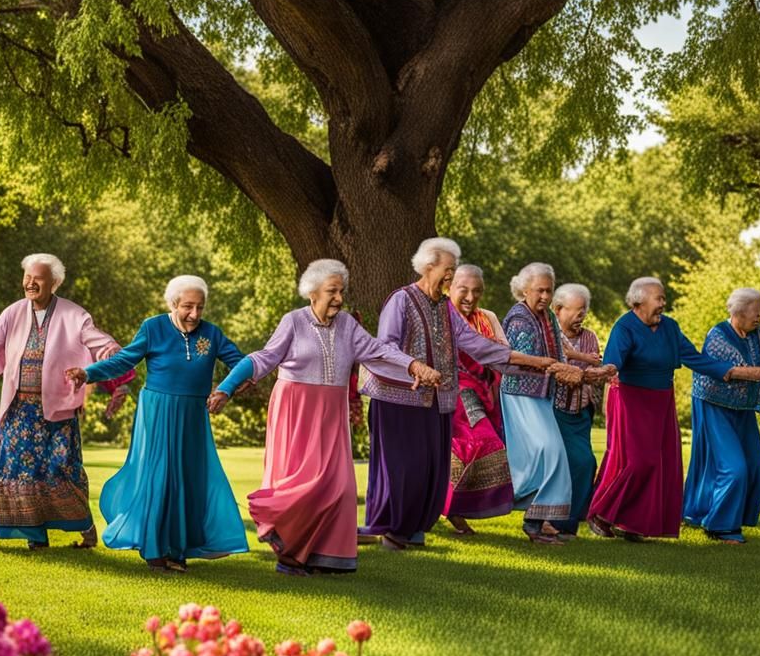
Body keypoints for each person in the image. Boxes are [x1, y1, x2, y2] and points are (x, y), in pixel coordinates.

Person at [207, 260, 439, 576]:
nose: (339, 299)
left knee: (338, 488)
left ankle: (324, 556)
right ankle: (290, 555)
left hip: (332, 413)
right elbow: (264, 357)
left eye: (341, 291)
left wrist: (414, 366)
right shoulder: (293, 322)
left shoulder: (347, 325)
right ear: (312, 292)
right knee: (303, 487)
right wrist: (227, 387)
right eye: (332, 291)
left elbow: (379, 351)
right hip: (296, 411)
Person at [359, 237, 565, 551]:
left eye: (453, 269)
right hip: (398, 400)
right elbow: (384, 347)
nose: (451, 275)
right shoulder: (401, 300)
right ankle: (394, 529)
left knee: (432, 468)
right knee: (406, 467)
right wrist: (415, 366)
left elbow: (477, 344)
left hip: (436, 401)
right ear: (429, 266)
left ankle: (413, 528)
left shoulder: (444, 307)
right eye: (448, 269)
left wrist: (535, 362)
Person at [0, 254, 130, 550]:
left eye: (38, 278)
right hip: (19, 411)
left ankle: (86, 529)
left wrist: (116, 366)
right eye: (27, 277)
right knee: (21, 473)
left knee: (64, 472)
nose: (30, 283)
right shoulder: (13, 313)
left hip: (57, 412)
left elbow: (101, 344)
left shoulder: (74, 315)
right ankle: (36, 538)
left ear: (54, 283)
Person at [64, 275, 248, 571]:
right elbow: (124, 360)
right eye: (188, 306)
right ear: (173, 304)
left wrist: (227, 388)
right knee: (160, 477)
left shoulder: (212, 334)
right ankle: (154, 550)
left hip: (193, 415)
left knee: (188, 479)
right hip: (158, 410)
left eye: (200, 307)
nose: (194, 314)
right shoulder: (153, 327)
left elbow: (242, 363)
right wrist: (89, 373)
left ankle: (177, 550)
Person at [587, 277, 760, 542]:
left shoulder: (670, 327)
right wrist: (604, 370)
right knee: (640, 461)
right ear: (639, 301)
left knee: (662, 464)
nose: (663, 303)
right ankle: (602, 513)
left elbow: (696, 359)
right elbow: (614, 361)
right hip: (632, 400)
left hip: (662, 400)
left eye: (664, 298)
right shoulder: (624, 327)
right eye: (658, 298)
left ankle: (632, 524)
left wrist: (730, 371)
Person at [682, 288, 760, 544]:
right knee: (734, 467)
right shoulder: (718, 336)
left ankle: (716, 514)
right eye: (757, 311)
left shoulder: (758, 335)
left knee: (755, 465)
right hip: (713, 405)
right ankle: (720, 526)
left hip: (742, 407)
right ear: (739, 312)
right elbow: (738, 370)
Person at [500, 264, 593, 545]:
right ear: (524, 289)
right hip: (520, 394)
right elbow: (522, 358)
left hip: (542, 395)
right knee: (547, 450)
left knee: (553, 455)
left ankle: (536, 522)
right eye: (539, 290)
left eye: (548, 290)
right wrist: (565, 371)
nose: (544, 296)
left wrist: (579, 371)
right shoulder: (518, 318)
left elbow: (559, 356)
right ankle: (524, 511)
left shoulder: (548, 316)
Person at [442, 264, 514, 536]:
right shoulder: (442, 317)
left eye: (477, 291)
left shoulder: (488, 317)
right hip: (455, 391)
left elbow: (504, 353)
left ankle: (451, 506)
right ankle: (451, 507)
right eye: (464, 290)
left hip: (486, 391)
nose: (470, 297)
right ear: (449, 288)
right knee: (481, 441)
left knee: (467, 449)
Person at [551, 283, 613, 538]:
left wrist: (596, 372)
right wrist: (586, 368)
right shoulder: (550, 334)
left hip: (581, 412)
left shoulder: (589, 337)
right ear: (558, 310)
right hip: (554, 410)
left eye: (583, 311)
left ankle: (568, 523)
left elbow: (593, 373)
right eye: (575, 310)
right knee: (565, 464)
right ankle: (553, 521)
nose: (581, 316)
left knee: (585, 463)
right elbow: (559, 365)